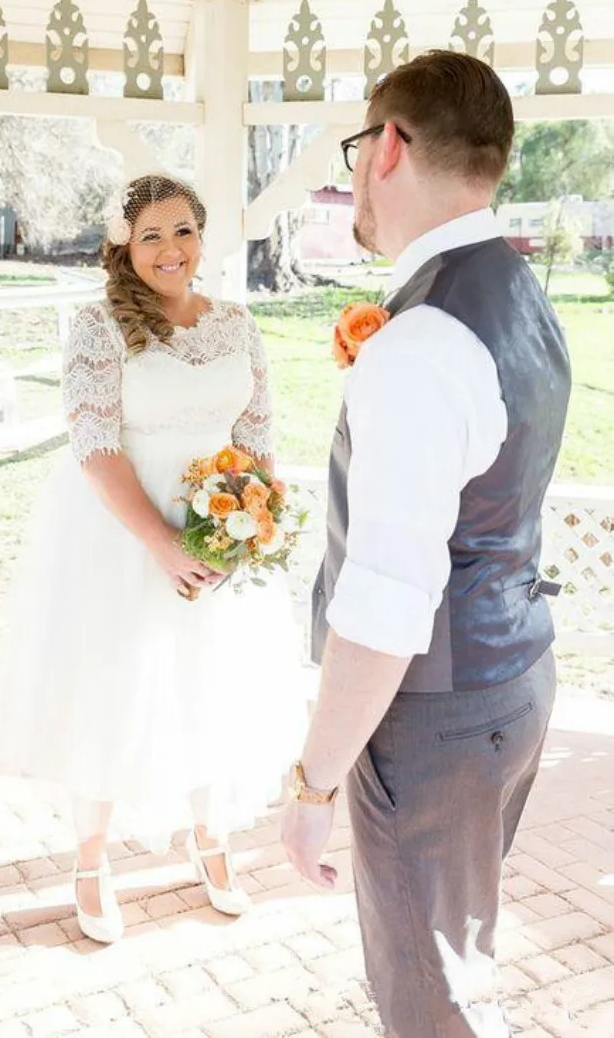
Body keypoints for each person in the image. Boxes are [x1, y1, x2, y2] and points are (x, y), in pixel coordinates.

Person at [282, 51, 571, 1037]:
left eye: (358, 147)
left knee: (426, 994)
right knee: (456, 959)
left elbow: (383, 603)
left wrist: (311, 781)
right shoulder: (520, 293)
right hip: (511, 676)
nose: (356, 171)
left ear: (390, 148)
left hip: (435, 719)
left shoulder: (417, 343)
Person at [0, 174, 306, 944]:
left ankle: (211, 836)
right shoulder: (98, 327)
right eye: (152, 235)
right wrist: (162, 546)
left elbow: (257, 435)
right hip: (122, 537)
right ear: (125, 245)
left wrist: (250, 528)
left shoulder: (237, 323)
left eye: (184, 231)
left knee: (211, 681)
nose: (170, 250)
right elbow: (95, 447)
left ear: (204, 236)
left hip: (221, 533)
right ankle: (91, 859)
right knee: (116, 684)